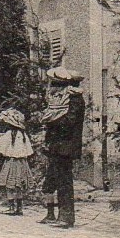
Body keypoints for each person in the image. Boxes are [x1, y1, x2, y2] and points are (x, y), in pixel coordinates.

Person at [40, 67, 85, 229]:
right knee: (53, 180)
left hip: (66, 147)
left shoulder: (75, 100)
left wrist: (50, 121)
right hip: (57, 147)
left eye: (57, 85)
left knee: (65, 182)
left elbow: (69, 123)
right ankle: (53, 214)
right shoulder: (60, 100)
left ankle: (66, 217)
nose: (54, 88)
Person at [0, 108, 34, 216]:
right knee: (18, 185)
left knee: (9, 185)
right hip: (22, 163)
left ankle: (11, 207)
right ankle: (19, 208)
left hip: (11, 161)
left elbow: (0, 146)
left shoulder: (10, 134)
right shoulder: (23, 135)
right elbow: (28, 150)